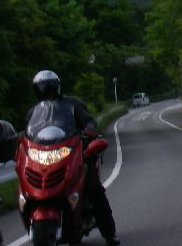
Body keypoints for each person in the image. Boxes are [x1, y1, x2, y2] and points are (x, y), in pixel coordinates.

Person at [25, 71, 120, 246]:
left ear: (57, 87)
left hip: (76, 155)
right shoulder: (34, 112)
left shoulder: (73, 104)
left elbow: (88, 121)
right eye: (43, 87)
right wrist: (21, 140)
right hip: (46, 157)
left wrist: (89, 129)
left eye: (49, 87)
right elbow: (28, 133)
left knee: (94, 190)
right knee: (30, 187)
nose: (46, 90)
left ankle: (109, 233)